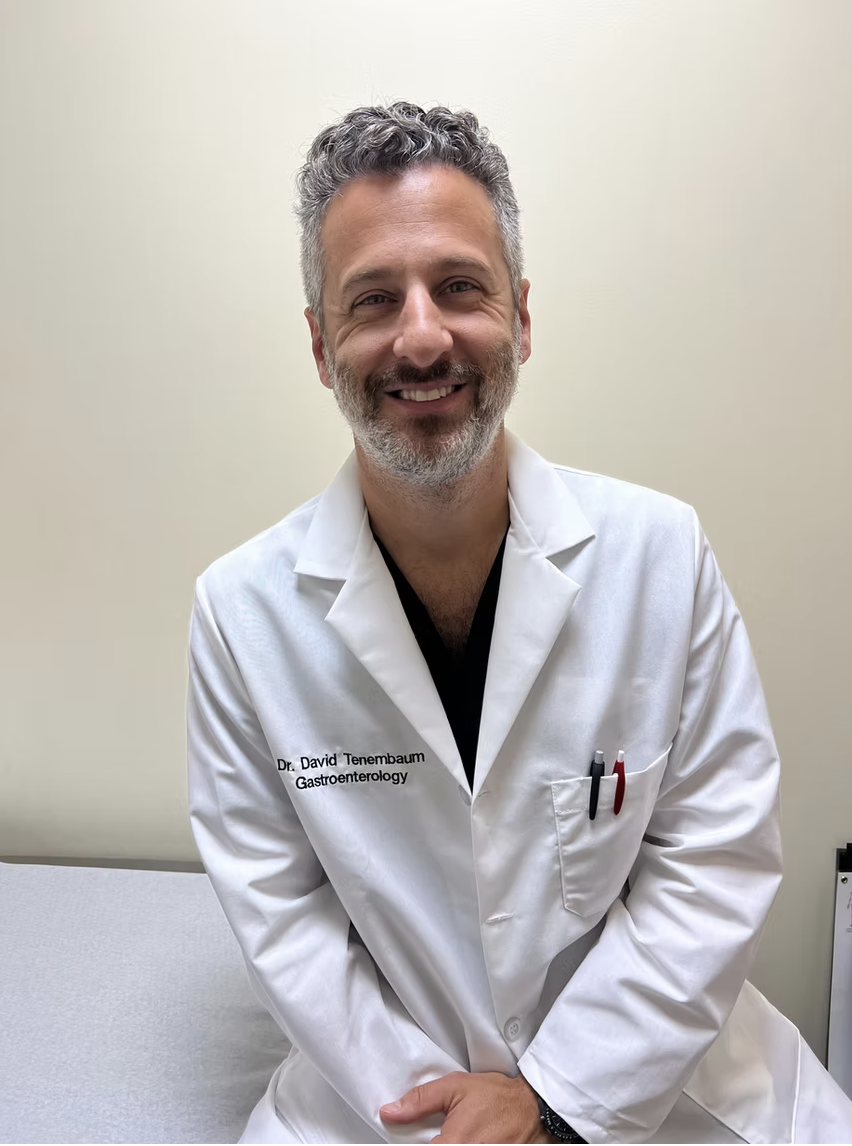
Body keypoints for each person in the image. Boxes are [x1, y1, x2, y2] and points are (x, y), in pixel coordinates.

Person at [186, 102, 852, 1144]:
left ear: (522, 317)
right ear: (322, 346)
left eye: (460, 287)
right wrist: (456, 1121)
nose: (421, 334)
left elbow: (714, 858)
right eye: (372, 300)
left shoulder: (659, 555)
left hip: (658, 1086)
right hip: (386, 1102)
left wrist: (552, 1104)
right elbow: (284, 919)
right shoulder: (241, 615)